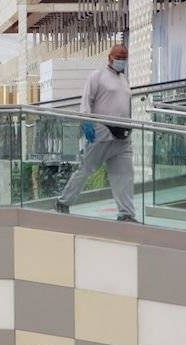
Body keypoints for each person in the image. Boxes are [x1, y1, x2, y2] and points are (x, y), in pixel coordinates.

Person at [56, 44, 136, 222]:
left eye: (124, 57)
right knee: (86, 169)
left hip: (123, 135)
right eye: (119, 57)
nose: (121, 60)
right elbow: (86, 100)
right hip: (102, 131)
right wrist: (86, 121)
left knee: (124, 175)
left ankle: (126, 213)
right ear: (110, 57)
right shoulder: (97, 76)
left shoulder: (124, 80)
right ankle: (64, 201)